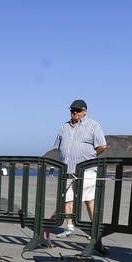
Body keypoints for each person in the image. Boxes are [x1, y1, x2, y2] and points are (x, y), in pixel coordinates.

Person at [51, 99, 107, 237]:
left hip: (86, 170)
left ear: (84, 111)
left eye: (77, 110)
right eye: (72, 110)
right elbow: (57, 146)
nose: (74, 113)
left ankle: (94, 229)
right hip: (68, 170)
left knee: (89, 199)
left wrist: (90, 157)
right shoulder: (64, 127)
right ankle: (69, 227)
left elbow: (102, 145)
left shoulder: (93, 125)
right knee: (67, 198)